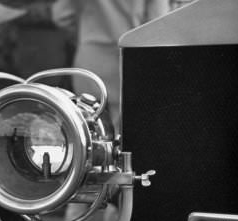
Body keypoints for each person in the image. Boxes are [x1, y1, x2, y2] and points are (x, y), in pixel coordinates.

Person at [52, 0, 171, 132]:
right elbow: (158, 23)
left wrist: (83, 31)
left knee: (88, 127)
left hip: (90, 59)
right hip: (127, 61)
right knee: (124, 134)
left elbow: (61, 15)